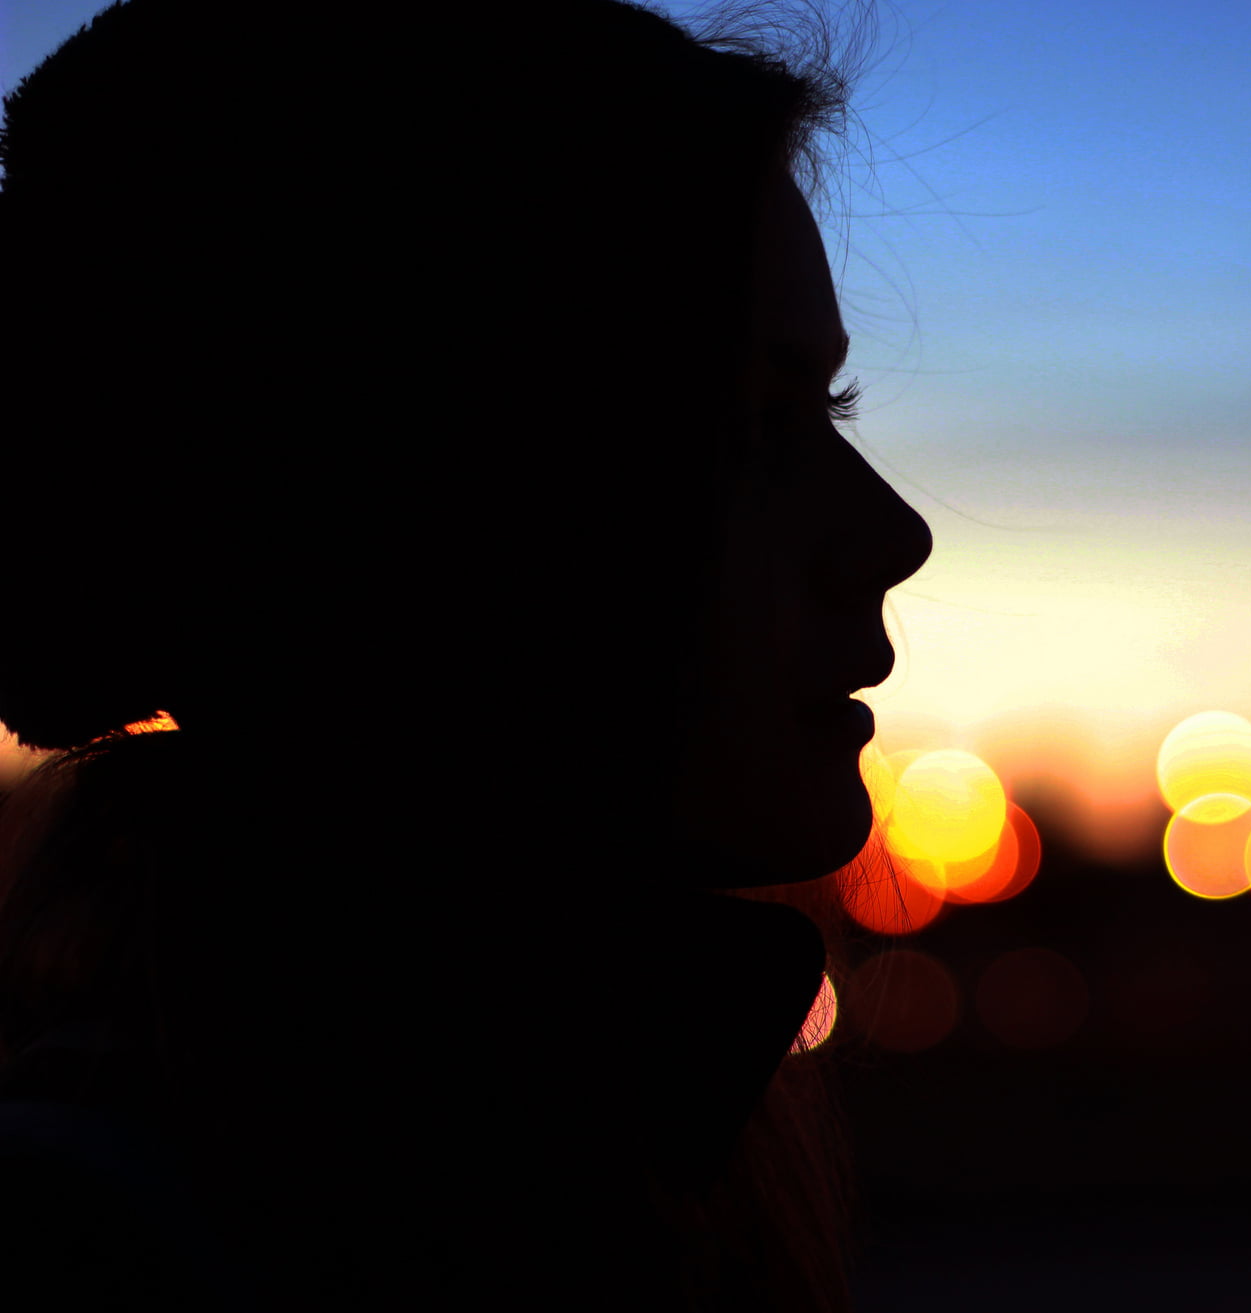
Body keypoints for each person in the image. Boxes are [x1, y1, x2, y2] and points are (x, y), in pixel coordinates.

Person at [0, 0, 930, 1307]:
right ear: (439, 505)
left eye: (825, 404)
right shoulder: (103, 1256)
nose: (894, 532)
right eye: (757, 420)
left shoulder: (539, 1174)